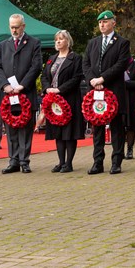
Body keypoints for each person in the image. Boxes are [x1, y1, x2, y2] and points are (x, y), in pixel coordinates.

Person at [82, 10, 131, 175]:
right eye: (100, 22)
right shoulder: (93, 43)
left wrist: (102, 79)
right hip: (95, 91)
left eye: (105, 21)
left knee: (117, 128)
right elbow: (86, 64)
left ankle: (116, 161)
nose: (102, 25)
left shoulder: (122, 42)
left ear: (113, 23)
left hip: (113, 90)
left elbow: (121, 64)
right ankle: (98, 162)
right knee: (97, 128)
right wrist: (92, 80)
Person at [0, 14, 43, 174]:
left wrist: (22, 85)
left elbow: (36, 67)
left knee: (26, 128)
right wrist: (5, 85)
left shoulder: (34, 43)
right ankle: (13, 161)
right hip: (8, 95)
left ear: (23, 26)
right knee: (10, 128)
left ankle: (24, 161)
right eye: (11, 27)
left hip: (25, 93)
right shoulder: (3, 45)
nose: (14, 30)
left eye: (17, 26)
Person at [40, 30, 85, 173]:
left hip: (69, 98)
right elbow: (44, 76)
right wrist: (47, 89)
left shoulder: (75, 58)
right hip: (53, 100)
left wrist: (59, 89)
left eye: (61, 39)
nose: (58, 41)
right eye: (56, 39)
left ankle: (69, 163)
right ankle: (60, 162)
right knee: (58, 131)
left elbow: (77, 77)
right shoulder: (52, 58)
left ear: (68, 41)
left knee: (69, 132)